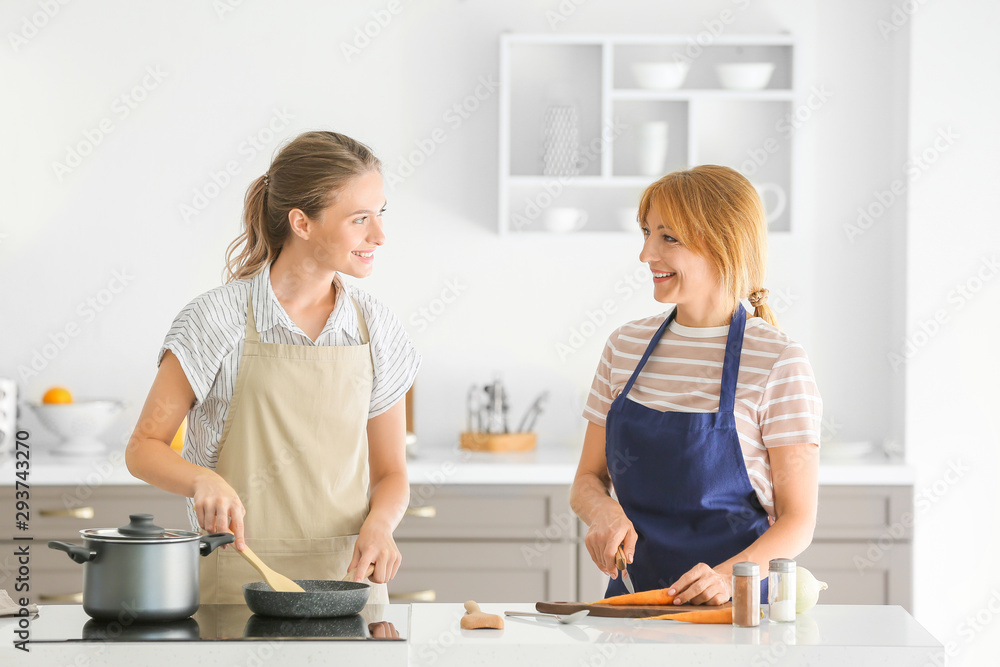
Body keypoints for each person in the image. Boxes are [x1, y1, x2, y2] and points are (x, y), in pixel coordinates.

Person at [125, 131, 420, 605]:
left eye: (380, 214)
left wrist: (381, 525)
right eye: (360, 219)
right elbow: (143, 447)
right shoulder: (215, 319)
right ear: (301, 223)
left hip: (348, 585)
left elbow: (391, 473)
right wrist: (203, 479)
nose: (379, 236)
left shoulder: (376, 327)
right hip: (235, 583)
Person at [570, 165, 821, 605]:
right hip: (634, 605)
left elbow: (798, 520)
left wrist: (725, 578)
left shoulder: (778, 361)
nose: (646, 254)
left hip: (737, 614)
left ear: (722, 242)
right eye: (646, 233)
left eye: (668, 237)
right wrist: (603, 512)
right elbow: (587, 480)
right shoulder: (624, 347)